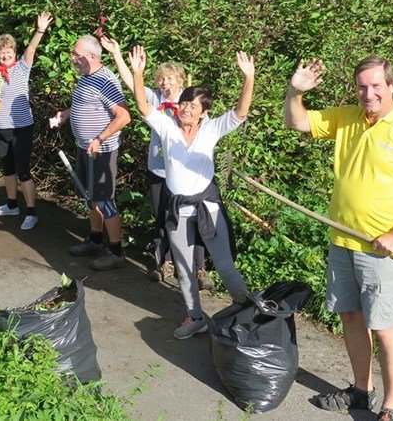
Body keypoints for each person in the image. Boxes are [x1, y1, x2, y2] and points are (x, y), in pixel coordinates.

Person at [282, 57, 393, 421]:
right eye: (362, 86)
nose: (368, 93)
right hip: (343, 241)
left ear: (392, 86)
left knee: (386, 328)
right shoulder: (347, 117)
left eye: (376, 86)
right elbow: (296, 121)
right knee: (351, 318)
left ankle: (391, 408)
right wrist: (295, 91)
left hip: (384, 253)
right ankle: (361, 392)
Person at [128, 45, 253, 339]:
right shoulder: (168, 128)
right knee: (184, 268)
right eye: (184, 104)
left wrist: (249, 78)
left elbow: (240, 113)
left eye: (193, 106)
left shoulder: (211, 129)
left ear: (203, 113)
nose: (185, 109)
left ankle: (245, 308)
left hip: (207, 208)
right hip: (179, 210)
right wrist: (137, 73)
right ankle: (194, 317)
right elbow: (144, 106)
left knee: (224, 266)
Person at [101, 37, 214, 288]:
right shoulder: (154, 101)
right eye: (161, 79)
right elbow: (133, 84)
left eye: (169, 79)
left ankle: (200, 268)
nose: (164, 83)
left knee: (193, 218)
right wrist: (118, 55)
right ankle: (165, 263)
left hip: (187, 175)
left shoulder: (193, 105)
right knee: (163, 217)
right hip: (159, 171)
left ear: (181, 81)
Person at [52, 35, 131, 270]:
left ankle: (116, 251)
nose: (73, 59)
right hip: (85, 148)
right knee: (90, 196)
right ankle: (96, 239)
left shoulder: (105, 81)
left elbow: (124, 116)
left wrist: (99, 138)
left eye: (77, 55)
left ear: (92, 56)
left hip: (102, 151)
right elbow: (86, 105)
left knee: (104, 199)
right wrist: (66, 114)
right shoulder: (86, 78)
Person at [0, 12, 53, 230]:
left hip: (20, 128)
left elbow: (31, 50)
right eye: (1, 52)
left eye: (8, 52)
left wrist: (40, 30)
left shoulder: (20, 69)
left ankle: (32, 212)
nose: (5, 56)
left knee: (23, 170)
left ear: (14, 53)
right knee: (7, 169)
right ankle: (12, 205)